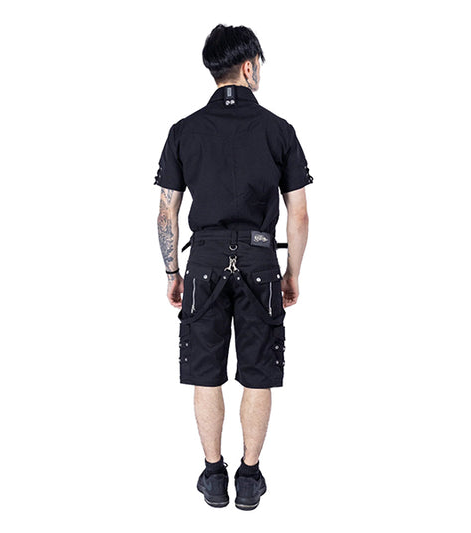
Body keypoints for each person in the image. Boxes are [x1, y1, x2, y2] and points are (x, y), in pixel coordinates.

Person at [154, 24, 312, 510]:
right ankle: (249, 476)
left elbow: (166, 212)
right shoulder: (279, 131)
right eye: (259, 64)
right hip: (262, 260)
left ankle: (213, 475)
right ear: (248, 67)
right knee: (258, 374)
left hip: (202, 261)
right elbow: (299, 215)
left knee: (206, 373)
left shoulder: (183, 131)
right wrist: (292, 274)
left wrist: (172, 273)